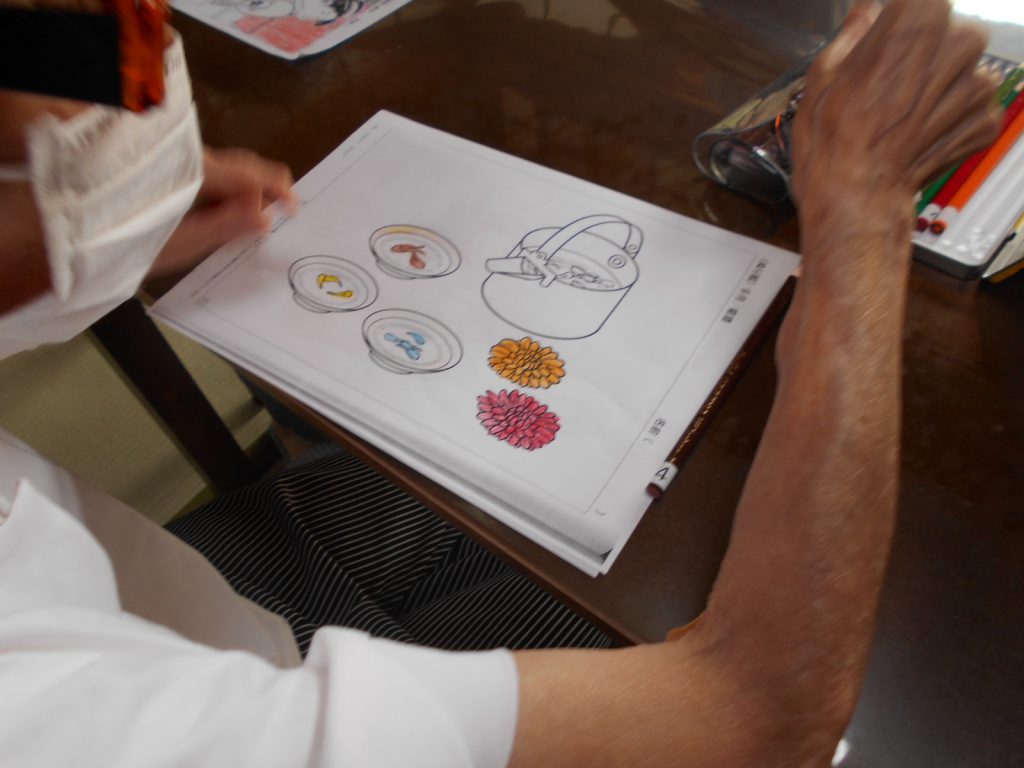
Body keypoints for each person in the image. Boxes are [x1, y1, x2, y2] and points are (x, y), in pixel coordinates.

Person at [0, 0, 1001, 765]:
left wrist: (87, 232)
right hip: (220, 678)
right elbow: (758, 716)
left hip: (182, 599)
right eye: (93, 62)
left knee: (534, 497)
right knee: (731, 611)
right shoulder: (64, 722)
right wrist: (862, 209)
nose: (142, 61)